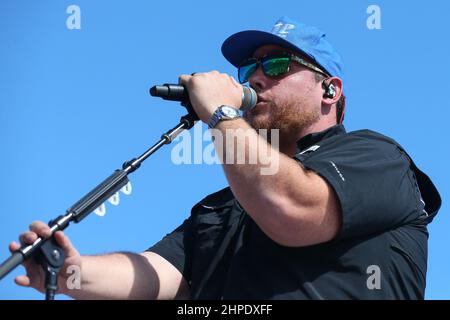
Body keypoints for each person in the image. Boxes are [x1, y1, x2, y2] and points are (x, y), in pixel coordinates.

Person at [9, 16, 441, 300]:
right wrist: (72, 273)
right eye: (247, 70)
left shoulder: (376, 157)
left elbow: (293, 209)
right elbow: (160, 275)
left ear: (330, 90)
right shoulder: (226, 204)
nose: (254, 77)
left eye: (274, 66)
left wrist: (221, 114)